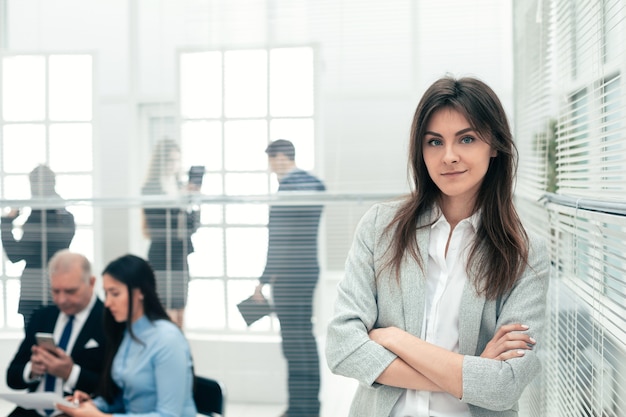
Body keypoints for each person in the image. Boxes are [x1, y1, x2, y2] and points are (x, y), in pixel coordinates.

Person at [325, 76, 549, 417]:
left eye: (467, 139)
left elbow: (504, 387)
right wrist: (469, 372)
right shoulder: (380, 227)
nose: (449, 156)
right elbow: (342, 348)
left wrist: (396, 339)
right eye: (434, 142)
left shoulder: (525, 253)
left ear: (494, 145)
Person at [56, 254, 197, 417]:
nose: (107, 303)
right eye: (106, 294)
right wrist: (93, 404)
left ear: (141, 292)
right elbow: (127, 400)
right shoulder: (127, 334)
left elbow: (169, 415)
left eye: (115, 294)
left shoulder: (167, 339)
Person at [252, 139, 326, 417]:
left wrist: (264, 279)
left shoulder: (291, 187)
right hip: (304, 271)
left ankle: (301, 409)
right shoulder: (312, 184)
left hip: (289, 275)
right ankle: (306, 406)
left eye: (272, 162)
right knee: (302, 340)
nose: (272, 169)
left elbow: (279, 240)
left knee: (295, 344)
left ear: (280, 157)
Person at [6, 250, 106, 417]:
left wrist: (70, 373)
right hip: (32, 411)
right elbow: (12, 377)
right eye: (55, 291)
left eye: (70, 291)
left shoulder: (109, 321)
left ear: (92, 282)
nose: (61, 300)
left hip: (77, 412)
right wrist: (32, 369)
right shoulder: (42, 317)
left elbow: (113, 390)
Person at [1, 164, 76, 327]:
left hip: (45, 286)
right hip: (48, 284)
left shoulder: (42, 219)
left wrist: (7, 222)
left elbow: (15, 255)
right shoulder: (65, 217)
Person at [141, 138, 199, 328]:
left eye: (176, 160)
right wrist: (178, 204)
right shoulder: (150, 189)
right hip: (161, 256)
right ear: (160, 161)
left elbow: (193, 227)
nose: (173, 165)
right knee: (165, 314)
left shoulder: (181, 187)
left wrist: (194, 201)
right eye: (170, 160)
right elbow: (158, 227)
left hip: (179, 256)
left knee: (180, 312)